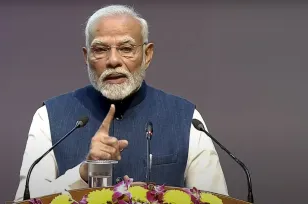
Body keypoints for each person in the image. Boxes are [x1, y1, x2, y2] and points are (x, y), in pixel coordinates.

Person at [14, 4, 228, 201]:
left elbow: (214, 199)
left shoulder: (186, 118)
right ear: (86, 56)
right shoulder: (49, 116)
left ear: (147, 54)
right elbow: (29, 200)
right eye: (100, 50)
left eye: (126, 48)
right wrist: (83, 172)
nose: (113, 60)